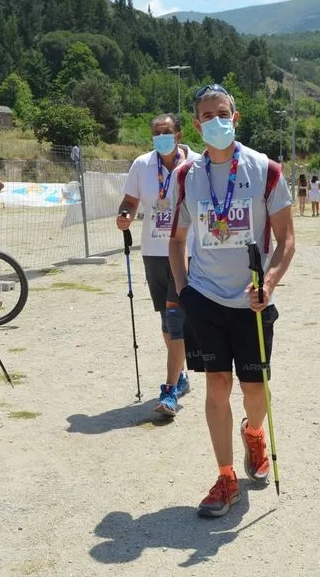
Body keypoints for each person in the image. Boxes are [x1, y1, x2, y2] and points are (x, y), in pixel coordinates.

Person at [169, 84, 295, 518]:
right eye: (207, 116)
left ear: (235, 117)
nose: (216, 121)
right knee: (217, 384)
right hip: (205, 299)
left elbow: (287, 239)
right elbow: (177, 240)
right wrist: (184, 291)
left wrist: (269, 284)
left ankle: (253, 432)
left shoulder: (266, 169)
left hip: (252, 303)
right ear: (196, 124)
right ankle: (225, 477)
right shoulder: (186, 175)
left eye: (222, 113)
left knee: (254, 389)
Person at [116, 113, 199, 418]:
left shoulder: (197, 164)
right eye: (156, 133)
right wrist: (125, 214)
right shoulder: (142, 164)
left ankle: (170, 390)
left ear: (179, 135)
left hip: (186, 250)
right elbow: (130, 200)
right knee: (166, 320)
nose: (161, 137)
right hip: (153, 251)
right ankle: (181, 374)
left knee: (175, 317)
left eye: (166, 132)